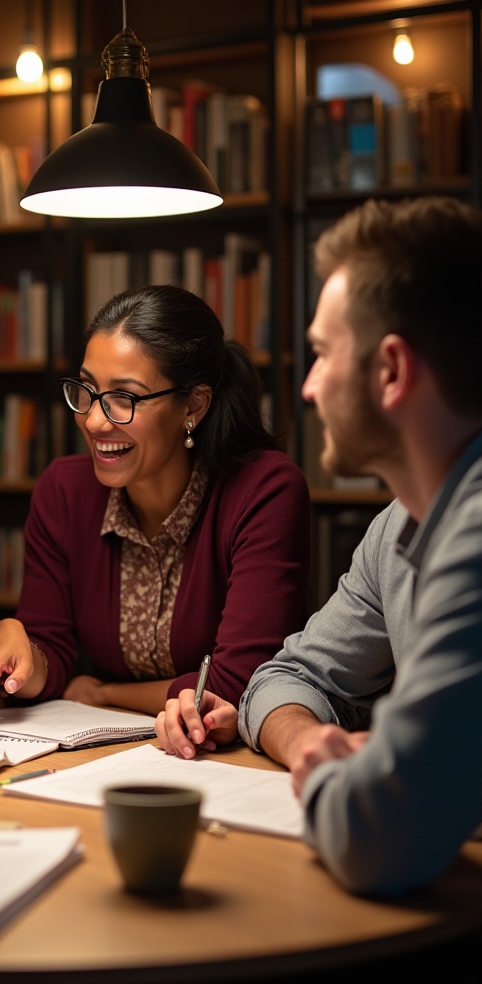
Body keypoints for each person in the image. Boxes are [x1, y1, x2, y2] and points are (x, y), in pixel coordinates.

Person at [156, 196, 482, 897]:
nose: (305, 388)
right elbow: (286, 677)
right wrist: (311, 744)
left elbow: (383, 837)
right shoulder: (398, 530)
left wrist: (349, 777)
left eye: (324, 354)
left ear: (391, 371)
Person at [0, 284, 311, 731]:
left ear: (193, 405)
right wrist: (24, 653)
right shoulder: (63, 490)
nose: (94, 420)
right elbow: (51, 656)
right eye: (87, 389)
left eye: (124, 398)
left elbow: (238, 685)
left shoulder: (265, 490)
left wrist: (104, 693)